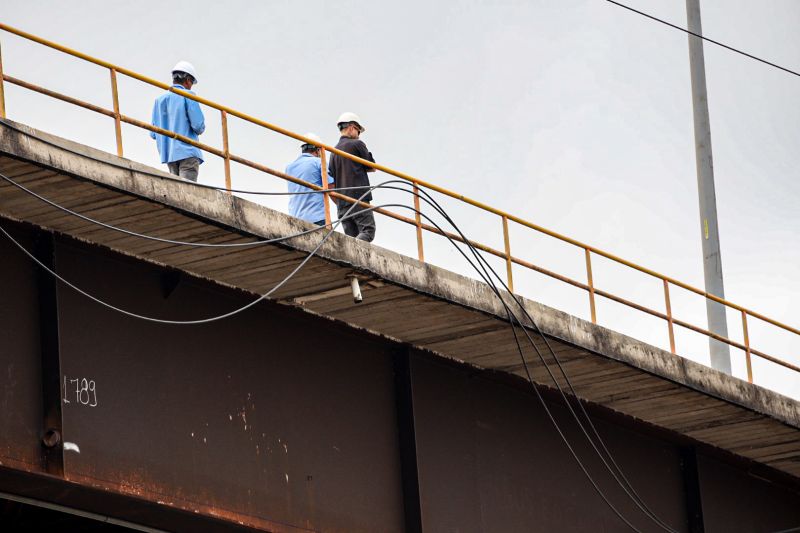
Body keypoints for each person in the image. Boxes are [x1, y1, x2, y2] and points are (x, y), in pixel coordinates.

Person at [150, 61, 205, 182]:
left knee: (176, 189)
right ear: (188, 80)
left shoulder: (159, 101)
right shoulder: (189, 95)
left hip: (169, 154)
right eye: (191, 83)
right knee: (187, 191)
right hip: (188, 152)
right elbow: (199, 126)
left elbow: (153, 134)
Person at [328, 112, 376, 242]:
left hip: (342, 203)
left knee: (351, 239)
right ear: (351, 127)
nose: (359, 135)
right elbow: (372, 167)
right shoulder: (357, 144)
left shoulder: (333, 152)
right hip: (358, 199)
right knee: (368, 231)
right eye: (358, 131)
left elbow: (331, 177)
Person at [285, 133, 333, 226]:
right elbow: (331, 187)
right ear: (318, 150)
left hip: (295, 218)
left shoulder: (289, 168)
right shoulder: (319, 162)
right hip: (317, 218)